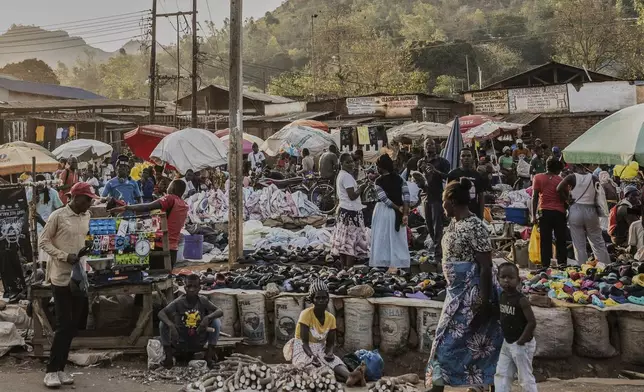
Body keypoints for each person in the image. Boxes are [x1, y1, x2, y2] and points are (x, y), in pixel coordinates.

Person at [425, 179, 502, 392]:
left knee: (449, 343)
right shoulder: (455, 223)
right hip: (456, 293)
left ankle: (445, 384)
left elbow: (486, 266)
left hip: (471, 294)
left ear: (451, 201)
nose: (442, 206)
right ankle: (474, 385)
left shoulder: (474, 225)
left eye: (443, 202)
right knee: (460, 341)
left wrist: (484, 299)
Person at [39, 183, 96, 388]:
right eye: (87, 199)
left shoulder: (86, 216)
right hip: (61, 277)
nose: (90, 203)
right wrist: (64, 256)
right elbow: (43, 242)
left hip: (79, 277)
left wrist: (88, 245)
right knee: (64, 325)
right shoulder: (58, 216)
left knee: (73, 326)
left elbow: (84, 237)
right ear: (76, 197)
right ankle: (51, 371)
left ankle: (61, 369)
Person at [110, 180, 188, 267]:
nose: (167, 189)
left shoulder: (171, 198)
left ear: (172, 188)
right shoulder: (184, 205)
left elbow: (148, 206)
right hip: (173, 250)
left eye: (168, 186)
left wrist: (126, 207)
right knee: (164, 277)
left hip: (161, 247)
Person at [289, 280, 350, 382]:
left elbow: (330, 344)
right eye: (317, 298)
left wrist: (330, 353)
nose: (321, 300)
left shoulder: (331, 318)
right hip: (303, 348)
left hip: (320, 347)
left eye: (324, 298)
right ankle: (334, 377)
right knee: (311, 365)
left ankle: (350, 376)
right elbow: (304, 343)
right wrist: (312, 356)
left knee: (335, 361)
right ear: (312, 300)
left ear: (328, 299)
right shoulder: (306, 314)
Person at [158, 274, 223, 368]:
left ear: (199, 288)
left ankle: (209, 358)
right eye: (189, 286)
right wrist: (171, 326)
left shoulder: (202, 300)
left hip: (198, 340)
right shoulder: (178, 302)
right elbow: (161, 313)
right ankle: (168, 358)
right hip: (180, 341)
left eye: (195, 287)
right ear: (185, 288)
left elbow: (219, 311)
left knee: (216, 322)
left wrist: (207, 318)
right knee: (162, 324)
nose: (191, 289)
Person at [494, 263, 538, 392]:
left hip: (521, 344)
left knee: (525, 378)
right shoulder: (502, 296)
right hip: (507, 342)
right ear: (498, 278)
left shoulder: (521, 300)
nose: (506, 280)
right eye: (503, 277)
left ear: (518, 280)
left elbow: (532, 322)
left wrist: (521, 342)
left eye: (511, 277)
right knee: (502, 374)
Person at [557, 166, 611, 264]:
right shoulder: (594, 177)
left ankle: (583, 269)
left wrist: (567, 200)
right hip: (591, 210)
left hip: (575, 210)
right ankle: (605, 266)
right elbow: (598, 194)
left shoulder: (571, 177)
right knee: (597, 241)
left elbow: (559, 188)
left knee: (579, 245)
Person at [369, 154, 411, 273]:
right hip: (398, 213)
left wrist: (397, 208)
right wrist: (405, 212)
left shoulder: (378, 181)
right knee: (397, 237)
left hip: (383, 212)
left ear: (381, 168)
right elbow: (406, 195)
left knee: (382, 236)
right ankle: (400, 263)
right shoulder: (400, 179)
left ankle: (383, 262)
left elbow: (384, 199)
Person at [331, 153, 368, 267]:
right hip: (350, 212)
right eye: (348, 162)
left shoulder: (341, 175)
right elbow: (352, 195)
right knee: (350, 243)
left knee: (344, 242)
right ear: (341, 164)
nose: (351, 164)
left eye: (352, 161)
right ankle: (348, 270)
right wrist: (361, 188)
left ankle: (344, 268)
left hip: (344, 210)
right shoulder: (346, 176)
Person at [418, 138, 450, 263]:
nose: (429, 146)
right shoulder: (421, 162)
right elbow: (418, 179)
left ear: (436, 147)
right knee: (429, 226)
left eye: (431, 144)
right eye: (427, 144)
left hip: (438, 196)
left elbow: (448, 176)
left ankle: (439, 255)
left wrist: (435, 171)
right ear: (424, 148)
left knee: (438, 226)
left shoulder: (442, 162)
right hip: (425, 196)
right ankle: (438, 250)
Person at [532, 158, 567, 268]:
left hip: (544, 212)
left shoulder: (537, 177)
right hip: (559, 213)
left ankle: (545, 265)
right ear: (557, 169)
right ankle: (562, 264)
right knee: (560, 239)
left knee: (545, 240)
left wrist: (533, 215)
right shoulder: (561, 180)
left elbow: (534, 197)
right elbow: (565, 198)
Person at [447, 149, 485, 218]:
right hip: (457, 212)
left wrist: (481, 214)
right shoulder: (453, 174)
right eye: (463, 156)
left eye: (468, 155)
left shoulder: (477, 175)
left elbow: (481, 196)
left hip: (473, 211)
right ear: (460, 158)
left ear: (472, 158)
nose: (466, 158)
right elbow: (448, 196)